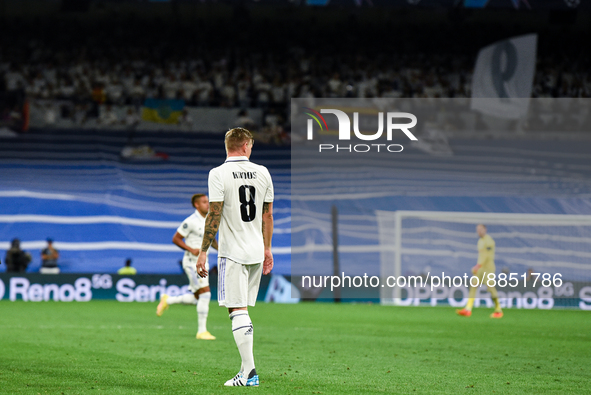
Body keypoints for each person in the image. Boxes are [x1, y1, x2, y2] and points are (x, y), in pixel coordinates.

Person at [196, 127, 274, 387]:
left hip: (233, 253)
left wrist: (203, 251)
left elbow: (214, 215)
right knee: (242, 310)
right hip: (255, 251)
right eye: (250, 144)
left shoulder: (218, 173)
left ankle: (250, 374)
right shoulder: (263, 172)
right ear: (245, 146)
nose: (251, 148)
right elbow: (267, 215)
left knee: (237, 310)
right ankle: (245, 369)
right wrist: (267, 249)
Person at [156, 194, 218, 341]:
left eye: (207, 201)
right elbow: (176, 238)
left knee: (198, 298)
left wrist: (222, 251)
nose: (207, 204)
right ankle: (202, 331)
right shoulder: (190, 221)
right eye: (204, 202)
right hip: (192, 262)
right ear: (196, 205)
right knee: (206, 295)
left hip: (204, 261)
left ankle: (168, 300)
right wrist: (190, 249)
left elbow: (212, 239)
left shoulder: (210, 220)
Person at [457, 224, 503, 319]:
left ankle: (498, 310)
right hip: (480, 268)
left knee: (490, 288)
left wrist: (477, 266)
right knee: (473, 286)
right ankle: (468, 309)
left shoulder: (489, 241)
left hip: (488, 269)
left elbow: (486, 256)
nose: (479, 231)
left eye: (481, 229)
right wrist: (478, 266)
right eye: (477, 230)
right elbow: (482, 256)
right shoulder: (480, 241)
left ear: (485, 230)